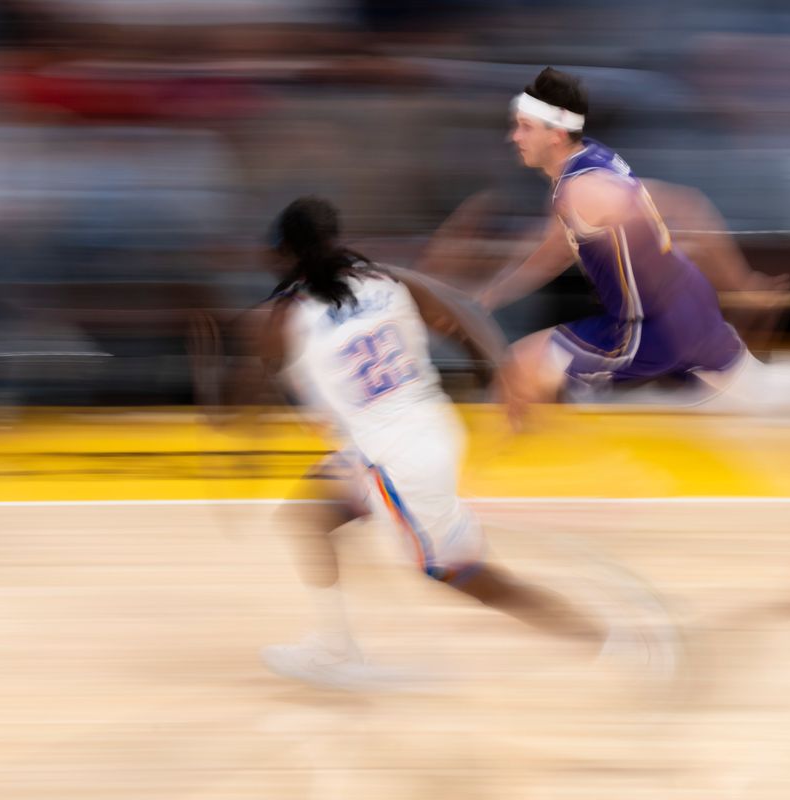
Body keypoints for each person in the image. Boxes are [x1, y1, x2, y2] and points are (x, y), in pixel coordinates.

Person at [244, 196, 617, 689]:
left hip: (391, 458)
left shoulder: (280, 317)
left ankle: (600, 638)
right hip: (423, 431)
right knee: (309, 516)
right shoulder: (388, 281)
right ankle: (334, 648)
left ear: (284, 253)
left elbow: (245, 400)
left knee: (462, 577)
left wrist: (228, 397)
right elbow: (462, 322)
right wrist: (504, 382)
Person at [477, 67, 790, 408]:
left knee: (518, 371)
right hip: (690, 311)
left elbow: (687, 208)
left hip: (649, 331)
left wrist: (741, 286)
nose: (514, 137)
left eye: (525, 127)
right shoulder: (588, 161)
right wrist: (493, 293)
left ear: (555, 135)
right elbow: (553, 247)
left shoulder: (585, 190)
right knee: (760, 398)